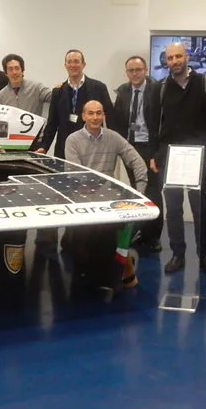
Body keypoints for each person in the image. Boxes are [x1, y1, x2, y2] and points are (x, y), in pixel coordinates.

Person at [152, 42, 206, 275]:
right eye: (170, 58)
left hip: (198, 158)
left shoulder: (205, 84)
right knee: (173, 209)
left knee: (201, 209)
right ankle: (177, 254)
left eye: (178, 56)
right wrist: (155, 154)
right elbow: (155, 123)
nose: (174, 61)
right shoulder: (161, 87)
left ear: (187, 57)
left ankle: (205, 255)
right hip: (170, 158)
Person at [65, 100, 149, 290]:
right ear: (83, 116)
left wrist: (140, 192)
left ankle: (112, 275)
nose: (95, 117)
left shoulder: (113, 137)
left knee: (107, 242)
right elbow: (74, 173)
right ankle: (92, 277)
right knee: (79, 245)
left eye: (99, 113)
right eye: (91, 113)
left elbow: (137, 162)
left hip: (108, 203)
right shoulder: (73, 140)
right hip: (82, 202)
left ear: (104, 116)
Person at [111, 55, 163, 252]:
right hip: (130, 146)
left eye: (138, 70)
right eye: (131, 70)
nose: (135, 74)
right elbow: (117, 119)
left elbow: (162, 121)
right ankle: (141, 231)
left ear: (146, 70)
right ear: (126, 73)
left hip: (150, 146)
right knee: (137, 190)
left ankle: (154, 236)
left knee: (153, 192)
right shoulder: (123, 91)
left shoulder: (157, 89)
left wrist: (157, 152)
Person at [38, 49, 114, 159]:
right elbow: (52, 123)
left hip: (92, 147)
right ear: (65, 65)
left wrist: (114, 144)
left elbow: (111, 118)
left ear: (83, 64)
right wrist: (44, 147)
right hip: (64, 148)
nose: (73, 65)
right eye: (69, 62)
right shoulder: (58, 91)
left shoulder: (99, 88)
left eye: (76, 61)